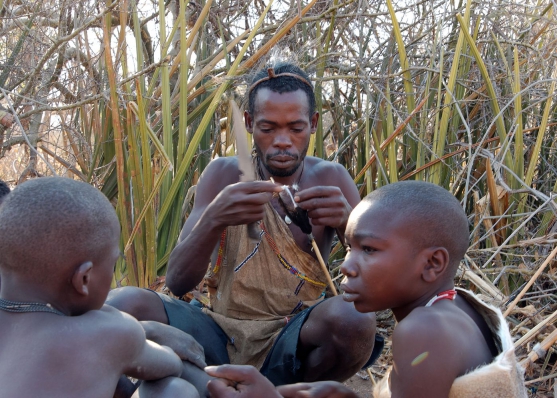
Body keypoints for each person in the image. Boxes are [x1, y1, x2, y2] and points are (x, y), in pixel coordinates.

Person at [107, 62, 379, 388]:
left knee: (354, 321)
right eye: (268, 128)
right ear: (249, 123)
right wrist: (214, 217)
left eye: (295, 128)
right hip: (214, 329)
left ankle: (289, 395)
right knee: (122, 306)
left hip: (292, 334)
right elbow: (179, 283)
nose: (282, 141)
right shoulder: (222, 175)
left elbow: (377, 281)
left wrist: (347, 221)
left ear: (314, 124)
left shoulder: (331, 178)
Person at [204, 181, 528, 398]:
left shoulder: (424, 331)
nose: (346, 266)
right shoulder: (460, 309)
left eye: (369, 250)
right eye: (348, 248)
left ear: (432, 264)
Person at [0, 177, 200, 398]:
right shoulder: (110, 331)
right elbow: (171, 365)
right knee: (176, 390)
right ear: (84, 279)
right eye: (113, 264)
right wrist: (138, 335)